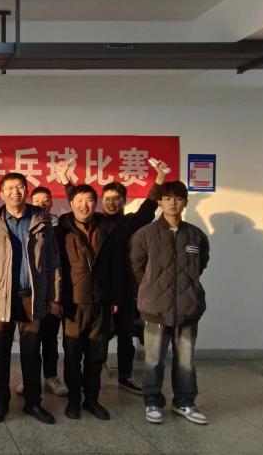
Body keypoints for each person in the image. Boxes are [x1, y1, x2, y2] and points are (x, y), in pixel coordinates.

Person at [56, 158, 168, 394]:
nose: (111, 202)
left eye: (116, 199)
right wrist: (65, 179)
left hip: (123, 287)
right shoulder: (96, 222)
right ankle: (83, 386)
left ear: (124, 201)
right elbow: (78, 201)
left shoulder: (127, 223)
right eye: (107, 199)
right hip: (93, 291)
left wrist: (159, 179)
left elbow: (148, 209)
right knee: (89, 342)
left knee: (125, 332)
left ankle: (124, 375)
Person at [0, 172, 62, 425]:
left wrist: (54, 296)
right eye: (10, 188)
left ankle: (33, 403)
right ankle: (1, 402)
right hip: (1, 297)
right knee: (0, 353)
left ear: (26, 190)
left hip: (32, 297)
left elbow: (53, 261)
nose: (16, 192)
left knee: (31, 353)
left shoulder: (41, 220)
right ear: (1, 193)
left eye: (20, 187)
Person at [130, 181, 210, 425]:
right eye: (167, 198)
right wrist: (152, 289)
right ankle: (153, 402)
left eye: (178, 198)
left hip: (187, 308)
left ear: (185, 202)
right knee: (153, 359)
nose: (172, 203)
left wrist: (186, 289)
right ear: (160, 202)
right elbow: (137, 266)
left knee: (185, 359)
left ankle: (184, 402)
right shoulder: (145, 234)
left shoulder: (196, 235)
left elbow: (201, 264)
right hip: (155, 308)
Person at [56, 183, 114, 420]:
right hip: (73, 303)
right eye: (79, 200)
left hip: (101, 302)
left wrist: (115, 296)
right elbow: (55, 267)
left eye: (89, 200)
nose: (84, 205)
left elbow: (118, 264)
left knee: (96, 356)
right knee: (72, 355)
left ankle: (92, 400)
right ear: (71, 203)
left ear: (95, 203)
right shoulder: (61, 231)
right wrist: (57, 298)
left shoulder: (108, 228)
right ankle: (73, 400)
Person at [18, 186, 68, 397]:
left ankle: (51, 376)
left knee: (50, 337)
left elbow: (56, 263)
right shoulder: (27, 225)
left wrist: (56, 296)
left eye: (45, 199)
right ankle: (28, 378)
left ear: (51, 202)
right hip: (31, 293)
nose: (41, 203)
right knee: (31, 340)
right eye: (37, 200)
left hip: (53, 289)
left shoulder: (61, 225)